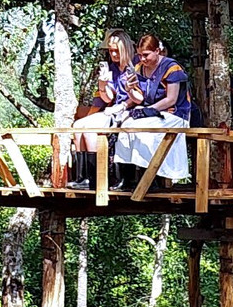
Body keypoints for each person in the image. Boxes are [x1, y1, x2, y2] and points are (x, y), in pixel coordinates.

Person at [113, 33, 191, 188]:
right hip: (150, 113)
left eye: (146, 55)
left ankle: (150, 179)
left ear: (157, 51)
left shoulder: (172, 68)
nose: (142, 59)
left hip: (173, 114)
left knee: (144, 130)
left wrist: (148, 110)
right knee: (126, 126)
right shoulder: (139, 68)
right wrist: (129, 90)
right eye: (140, 55)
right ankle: (126, 178)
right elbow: (139, 99)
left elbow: (171, 99)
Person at [68, 29, 136, 190]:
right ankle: (83, 177)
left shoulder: (136, 65)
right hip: (114, 109)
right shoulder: (112, 68)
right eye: (111, 51)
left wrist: (123, 105)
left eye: (116, 50)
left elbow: (139, 94)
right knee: (78, 126)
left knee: (90, 131)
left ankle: (97, 178)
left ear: (126, 48)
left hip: (129, 109)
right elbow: (107, 98)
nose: (113, 54)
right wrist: (102, 84)